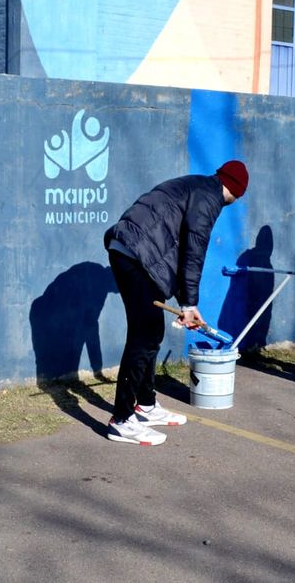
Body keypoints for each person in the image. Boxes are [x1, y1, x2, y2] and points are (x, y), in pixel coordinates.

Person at [103, 160, 249, 445]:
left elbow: (178, 249)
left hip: (133, 254)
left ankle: (145, 404)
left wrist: (186, 303)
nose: (234, 202)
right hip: (137, 256)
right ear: (234, 190)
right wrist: (190, 303)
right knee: (143, 337)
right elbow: (194, 249)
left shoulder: (196, 185)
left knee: (152, 333)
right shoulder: (210, 198)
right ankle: (121, 420)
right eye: (238, 197)